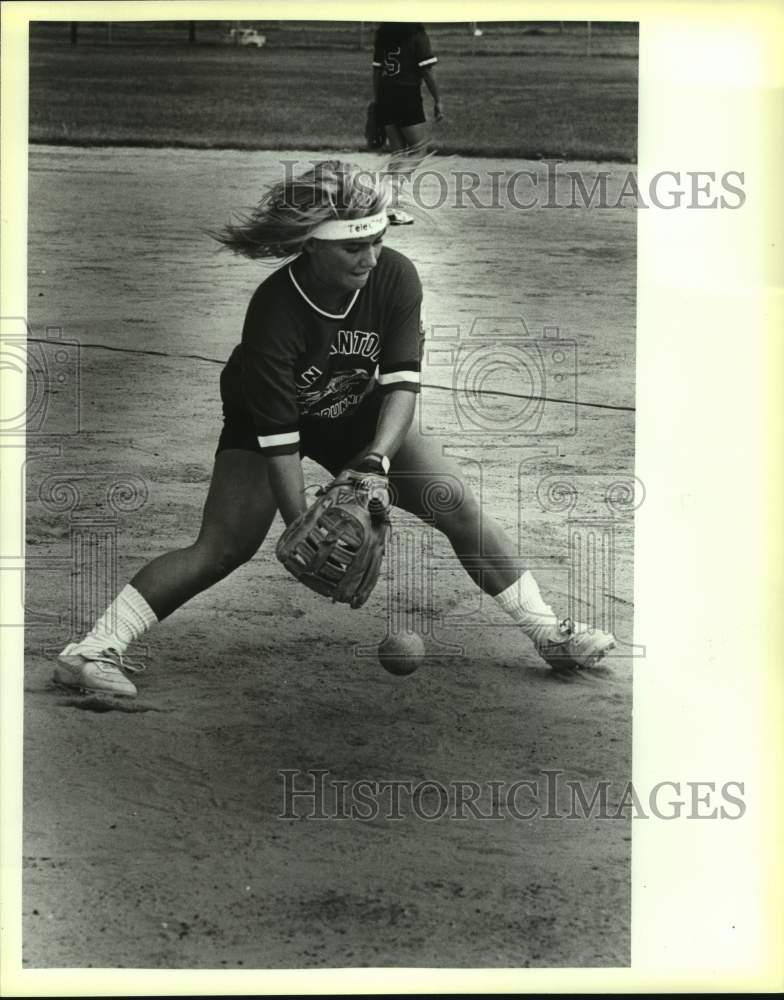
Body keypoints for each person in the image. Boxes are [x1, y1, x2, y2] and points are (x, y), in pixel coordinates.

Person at [53, 160, 615, 699]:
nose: (371, 257)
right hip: (266, 420)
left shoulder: (395, 275)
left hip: (354, 409)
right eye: (354, 246)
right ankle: (93, 651)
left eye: (377, 239)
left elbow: (400, 387)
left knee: (456, 502)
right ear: (312, 244)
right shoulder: (274, 310)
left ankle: (550, 634)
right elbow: (279, 442)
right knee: (223, 548)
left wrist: (374, 462)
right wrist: (305, 525)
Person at [371, 23, 443, 225]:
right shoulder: (416, 33)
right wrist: (438, 99)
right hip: (407, 95)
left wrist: (378, 101)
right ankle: (389, 195)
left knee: (399, 153)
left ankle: (391, 206)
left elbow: (377, 71)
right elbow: (427, 70)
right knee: (419, 149)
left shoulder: (383, 33)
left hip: (386, 93)